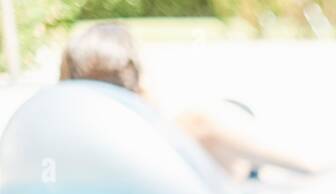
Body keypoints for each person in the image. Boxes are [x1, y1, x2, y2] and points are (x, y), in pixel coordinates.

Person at [59, 21, 321, 179]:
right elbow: (311, 166)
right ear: (140, 83)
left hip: (233, 140)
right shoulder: (196, 126)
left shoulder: (70, 149)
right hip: (230, 155)